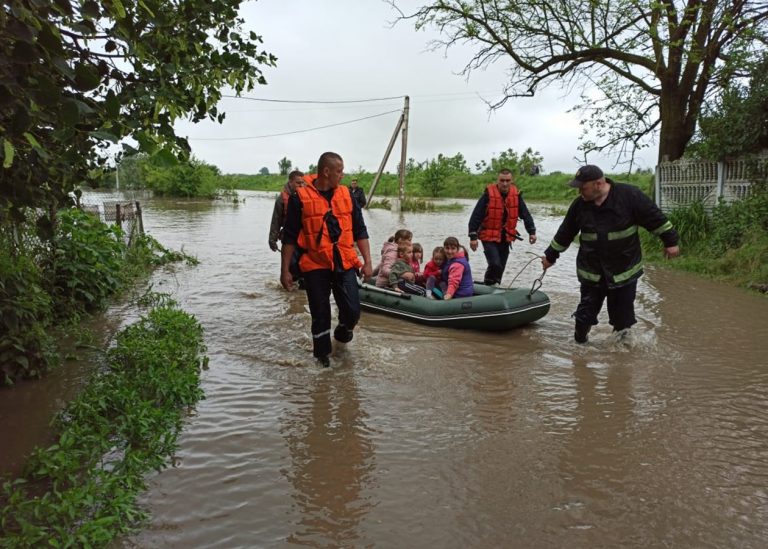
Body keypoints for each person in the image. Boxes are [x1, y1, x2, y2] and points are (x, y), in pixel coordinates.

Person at [541, 165, 680, 343]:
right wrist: (550, 256)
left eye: (583, 188)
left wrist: (671, 242)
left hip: (624, 271)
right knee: (584, 315)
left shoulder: (630, 196)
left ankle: (621, 357)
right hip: (592, 272)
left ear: (598, 184)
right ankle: (579, 348)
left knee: (623, 318)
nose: (579, 192)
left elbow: (655, 218)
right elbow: (565, 233)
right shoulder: (579, 206)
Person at [280, 152, 373, 367]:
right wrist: (285, 270)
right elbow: (290, 237)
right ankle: (323, 363)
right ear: (326, 172)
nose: (343, 175)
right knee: (320, 314)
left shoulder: (348, 195)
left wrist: (367, 261)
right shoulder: (299, 198)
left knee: (352, 311)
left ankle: (342, 335)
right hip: (315, 264)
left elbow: (360, 230)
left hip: (345, 261)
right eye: (339, 171)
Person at [468, 169, 538, 286]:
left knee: (501, 266)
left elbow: (525, 214)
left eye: (507, 181)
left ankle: (492, 285)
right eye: (502, 180)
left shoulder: (516, 195)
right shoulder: (488, 195)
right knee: (495, 264)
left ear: (511, 181)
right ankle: (489, 285)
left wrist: (532, 231)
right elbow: (476, 216)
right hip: (488, 235)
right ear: (498, 180)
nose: (505, 183)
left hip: (506, 236)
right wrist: (473, 237)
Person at [268, 170, 305, 252]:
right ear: (290, 182)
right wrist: (272, 240)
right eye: (298, 183)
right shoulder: (281, 199)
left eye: (303, 183)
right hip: (289, 239)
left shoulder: (308, 197)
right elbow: (276, 221)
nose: (301, 186)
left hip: (305, 239)